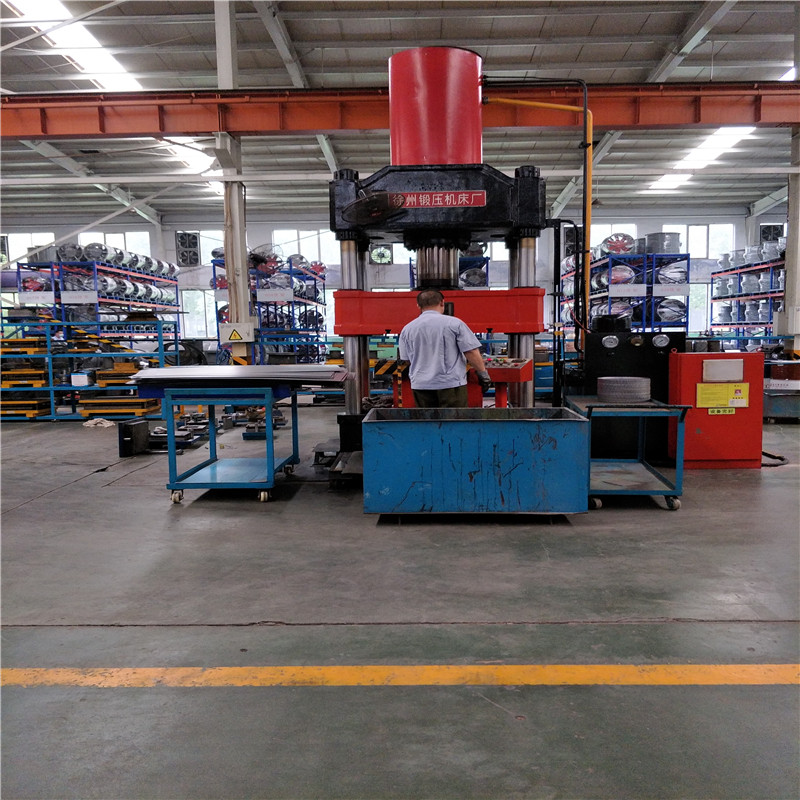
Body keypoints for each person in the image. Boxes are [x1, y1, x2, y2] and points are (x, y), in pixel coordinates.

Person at [398, 288, 491, 408]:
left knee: (426, 419)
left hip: (421, 386)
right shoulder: (455, 324)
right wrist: (483, 373)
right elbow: (471, 351)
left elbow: (406, 359)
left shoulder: (407, 329)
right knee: (454, 419)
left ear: (418, 306)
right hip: (450, 385)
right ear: (442, 303)